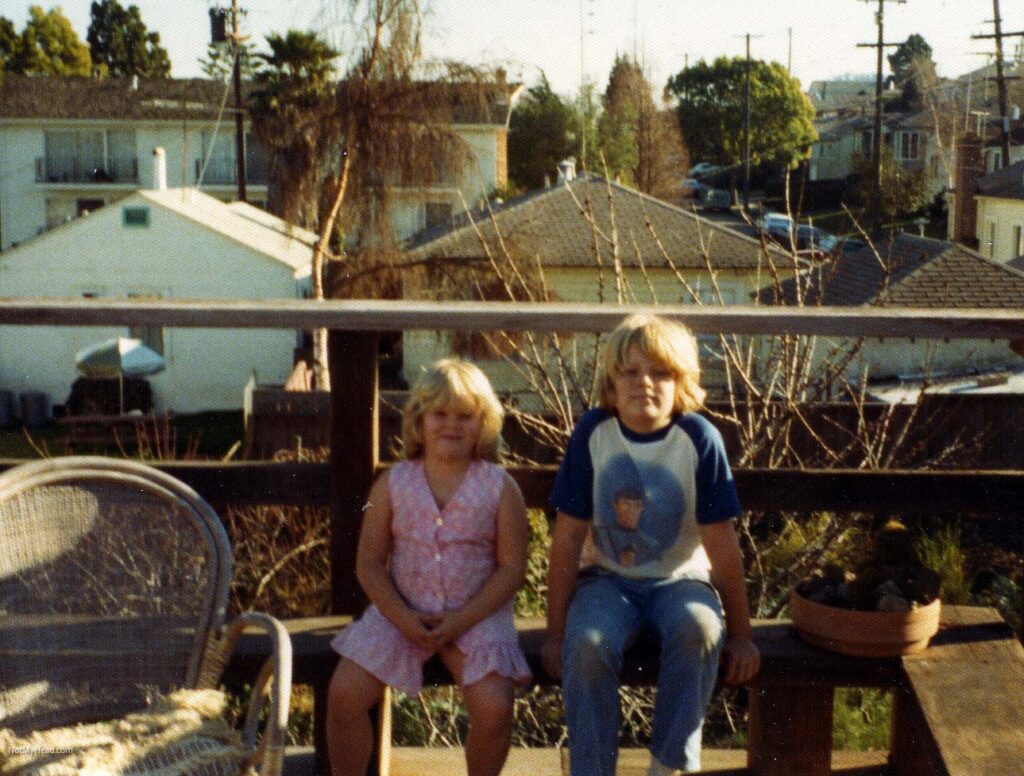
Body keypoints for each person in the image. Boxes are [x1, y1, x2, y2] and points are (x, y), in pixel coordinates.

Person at [541, 313, 760, 776]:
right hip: (604, 581)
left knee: (698, 630)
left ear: (682, 382)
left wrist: (741, 634)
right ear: (611, 382)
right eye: (631, 371)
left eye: (661, 372)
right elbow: (566, 541)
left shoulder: (699, 440)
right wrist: (556, 632)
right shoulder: (593, 434)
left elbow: (722, 546)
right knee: (587, 644)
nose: (645, 383)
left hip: (681, 581)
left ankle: (669, 765)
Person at [326, 358, 531, 776]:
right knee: (343, 693)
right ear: (419, 422)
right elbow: (368, 562)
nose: (451, 425)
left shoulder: (499, 487)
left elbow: (512, 569)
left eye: (465, 416)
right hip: (400, 611)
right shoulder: (392, 484)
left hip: (476, 616)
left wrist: (461, 620)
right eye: (439, 414)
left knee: (495, 707)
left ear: (485, 424)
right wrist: (400, 616)